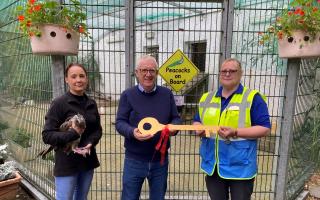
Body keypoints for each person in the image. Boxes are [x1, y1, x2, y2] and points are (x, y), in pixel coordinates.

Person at [193, 58, 271, 200]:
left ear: (240, 73)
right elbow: (197, 121)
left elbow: (264, 128)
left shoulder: (252, 98)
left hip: (240, 167)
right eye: (224, 71)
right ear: (219, 74)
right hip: (214, 166)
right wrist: (198, 128)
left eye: (232, 71)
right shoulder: (206, 98)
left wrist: (235, 132)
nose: (227, 74)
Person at [116, 55, 182, 200]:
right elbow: (120, 122)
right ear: (137, 72)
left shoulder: (166, 94)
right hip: (134, 160)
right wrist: (132, 132)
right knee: (129, 197)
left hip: (160, 160)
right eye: (144, 70)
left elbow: (175, 118)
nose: (148, 74)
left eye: (152, 70)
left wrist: (174, 128)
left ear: (157, 73)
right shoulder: (128, 95)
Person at [42, 63, 102, 200]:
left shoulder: (91, 103)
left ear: (86, 79)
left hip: (87, 162)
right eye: (73, 76)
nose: (78, 80)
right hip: (67, 164)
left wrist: (90, 143)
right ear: (66, 79)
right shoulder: (59, 103)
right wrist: (73, 134)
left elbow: (97, 130)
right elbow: (47, 135)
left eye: (82, 76)